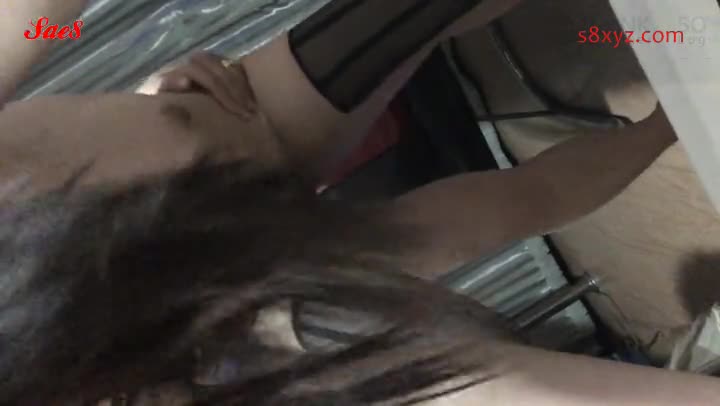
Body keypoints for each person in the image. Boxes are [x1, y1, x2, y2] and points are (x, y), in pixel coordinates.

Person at [0, 0, 719, 405]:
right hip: (248, 316)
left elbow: (38, 20)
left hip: (231, 128)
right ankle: (675, 117)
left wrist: (130, 107)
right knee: (511, 212)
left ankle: (677, 73)